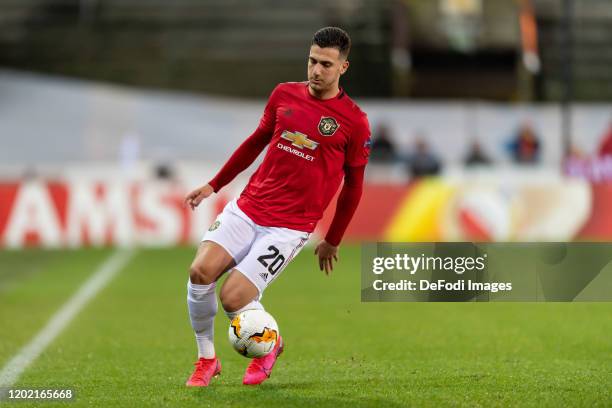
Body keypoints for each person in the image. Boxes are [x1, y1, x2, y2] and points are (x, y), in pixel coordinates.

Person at [183, 27, 370, 387]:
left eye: (326, 65)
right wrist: (214, 184)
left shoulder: (354, 122)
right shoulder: (284, 94)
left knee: (233, 297)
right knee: (199, 272)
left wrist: (333, 238)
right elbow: (255, 142)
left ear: (343, 68)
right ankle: (206, 360)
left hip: (290, 226)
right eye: (313, 61)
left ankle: (271, 344)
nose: (316, 70)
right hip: (248, 207)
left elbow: (355, 185)